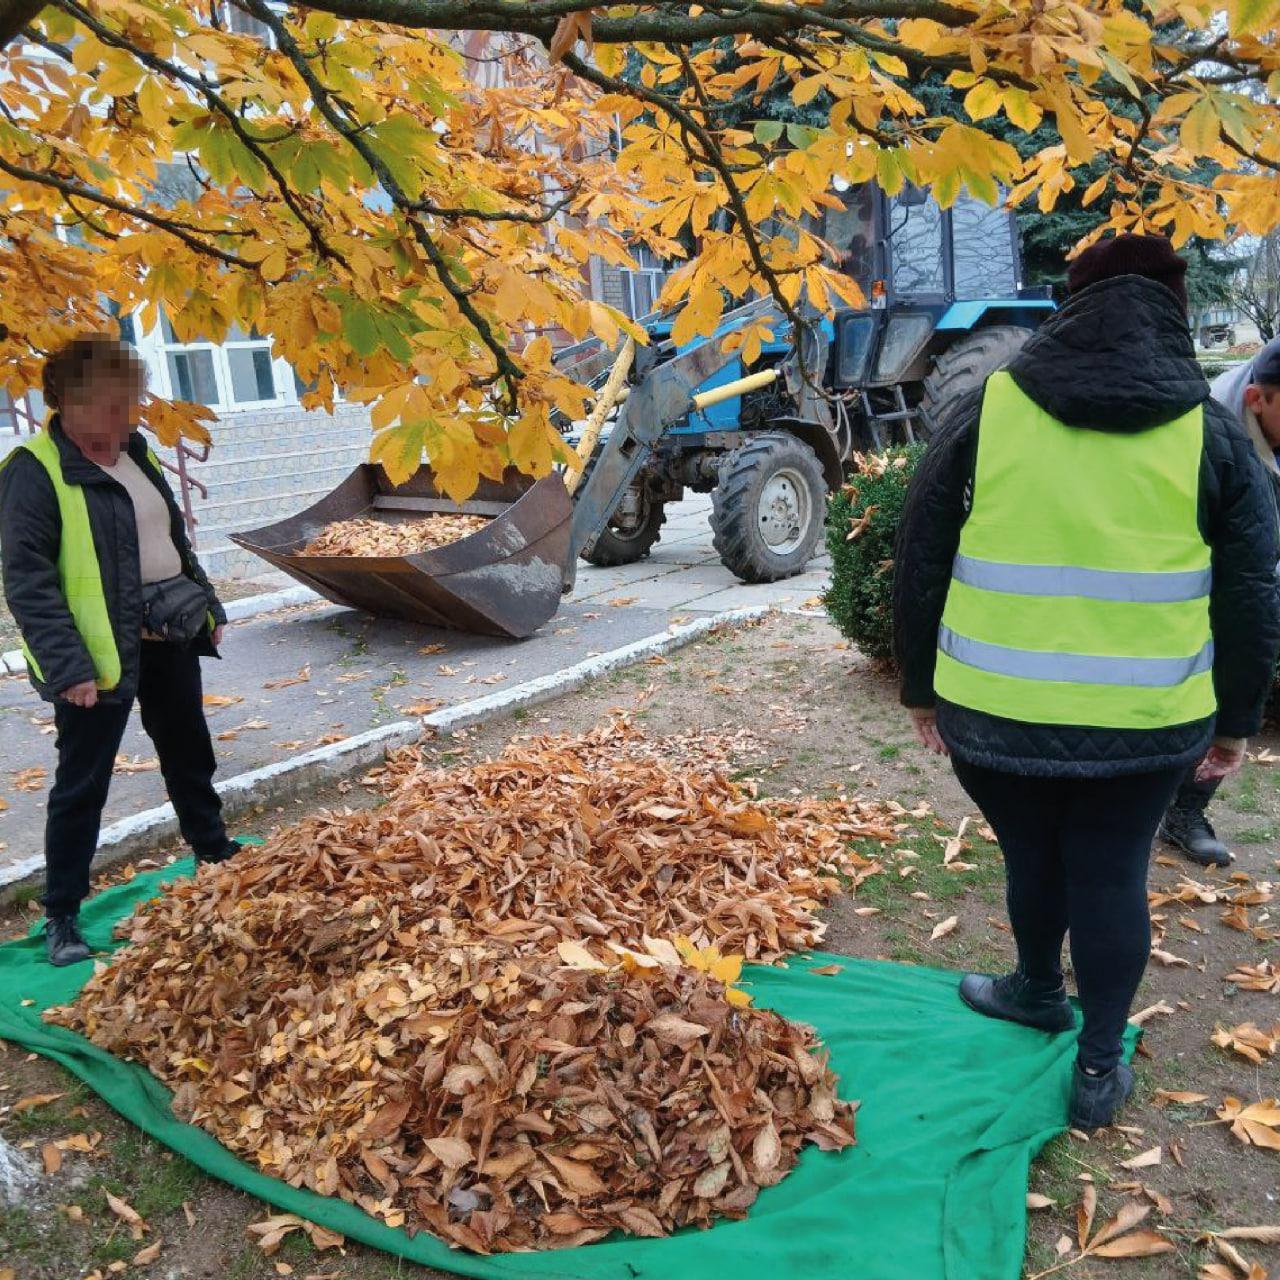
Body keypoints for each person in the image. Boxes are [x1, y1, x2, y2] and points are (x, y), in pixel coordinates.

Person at [893, 235, 1280, 1130]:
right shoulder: (1214, 432)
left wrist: (920, 685)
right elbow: (1252, 590)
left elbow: (921, 550)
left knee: (1034, 860)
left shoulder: (989, 409)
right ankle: (1099, 1068)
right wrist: (1237, 721)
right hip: (1149, 726)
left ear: (1071, 302)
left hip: (994, 716)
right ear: (1177, 310)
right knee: (1110, 878)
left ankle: (1034, 989)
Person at [0, 335, 241, 967]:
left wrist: (207, 605)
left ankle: (213, 851)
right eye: (109, 405)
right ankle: (62, 917)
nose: (123, 416)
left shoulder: (136, 452)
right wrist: (67, 666)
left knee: (189, 748)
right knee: (83, 783)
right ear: (67, 402)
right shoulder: (34, 469)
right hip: (94, 655)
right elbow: (28, 581)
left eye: (126, 402)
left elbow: (174, 542)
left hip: (168, 635)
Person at [1158, 337, 1280, 866]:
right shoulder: (1212, 435)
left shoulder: (1265, 418)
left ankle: (1184, 808)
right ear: (1257, 399)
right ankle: (1168, 805)